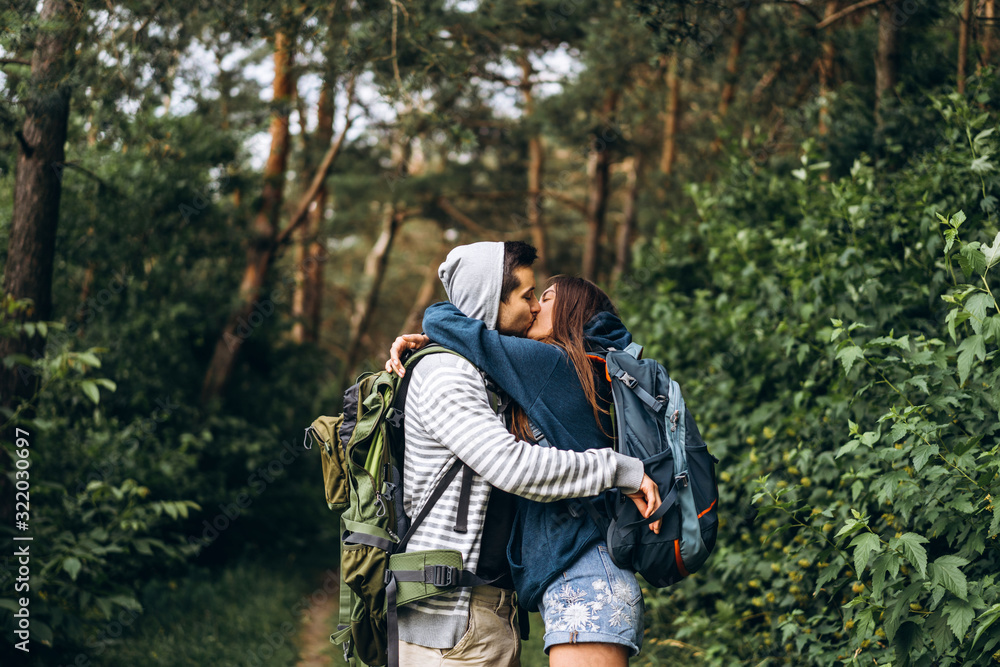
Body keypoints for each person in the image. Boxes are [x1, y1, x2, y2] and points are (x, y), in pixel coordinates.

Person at [390, 241, 660, 667]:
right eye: (528, 296)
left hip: (532, 599)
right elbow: (510, 464)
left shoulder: (547, 366)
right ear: (488, 300)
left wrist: (437, 323)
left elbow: (464, 330)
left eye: (543, 298)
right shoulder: (450, 372)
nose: (535, 307)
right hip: (448, 620)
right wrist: (619, 470)